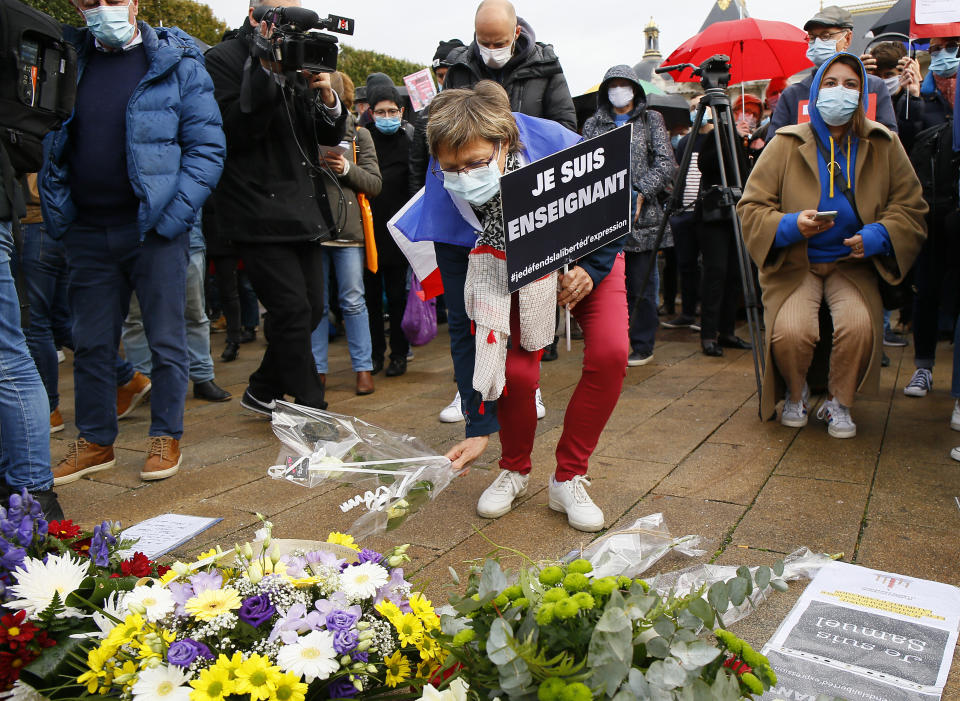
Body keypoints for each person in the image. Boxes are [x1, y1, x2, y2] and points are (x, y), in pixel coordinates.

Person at [396, 81, 629, 532]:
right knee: (517, 375)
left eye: (476, 163)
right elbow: (466, 322)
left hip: (588, 256)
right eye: (452, 168)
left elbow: (615, 201)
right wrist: (476, 425)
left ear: (505, 143)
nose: (465, 177)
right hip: (507, 269)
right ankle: (514, 469)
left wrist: (592, 270)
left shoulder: (555, 143)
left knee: (610, 353)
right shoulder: (445, 197)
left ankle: (569, 477)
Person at [41, 0, 225, 484]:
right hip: (87, 228)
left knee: (167, 338)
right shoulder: (67, 59)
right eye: (90, 2)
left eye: (113, 0)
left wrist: (173, 215)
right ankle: (97, 440)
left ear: (135, 3)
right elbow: (49, 136)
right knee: (92, 342)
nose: (103, 9)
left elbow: (207, 148)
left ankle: (166, 435)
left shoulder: (178, 62)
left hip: (154, 229)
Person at [737, 53, 926, 437]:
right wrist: (790, 226)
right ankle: (796, 392)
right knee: (791, 332)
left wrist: (877, 236)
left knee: (859, 327)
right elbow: (752, 207)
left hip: (851, 264)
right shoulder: (784, 143)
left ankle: (839, 403)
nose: (840, 92)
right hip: (795, 264)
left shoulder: (884, 143)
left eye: (851, 85)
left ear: (862, 94)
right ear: (816, 90)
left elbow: (910, 207)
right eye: (830, 83)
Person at [204, 0, 346, 416]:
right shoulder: (222, 59)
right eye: (281, 16)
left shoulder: (300, 56)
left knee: (312, 310)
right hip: (254, 208)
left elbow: (323, 134)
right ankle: (312, 409)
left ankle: (263, 389)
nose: (291, 25)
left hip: (302, 206)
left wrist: (328, 95)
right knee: (291, 310)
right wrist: (267, 68)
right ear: (255, 16)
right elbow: (236, 130)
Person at [582, 65, 676, 367]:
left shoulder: (651, 120)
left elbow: (665, 164)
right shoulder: (594, 124)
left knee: (643, 285)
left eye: (624, 84)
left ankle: (642, 343)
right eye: (613, 84)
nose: (618, 90)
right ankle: (608, 341)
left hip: (643, 219)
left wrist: (639, 191)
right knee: (604, 284)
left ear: (635, 89)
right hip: (603, 218)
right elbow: (582, 164)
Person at [310, 72, 382, 395]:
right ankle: (317, 371)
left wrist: (347, 169)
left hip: (349, 231)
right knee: (317, 304)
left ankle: (363, 368)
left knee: (353, 300)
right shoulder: (306, 130)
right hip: (314, 229)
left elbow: (375, 183)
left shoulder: (361, 136)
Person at [901, 36, 960, 401]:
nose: (942, 56)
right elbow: (905, 147)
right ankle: (923, 367)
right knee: (927, 290)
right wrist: (911, 100)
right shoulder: (920, 96)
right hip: (931, 213)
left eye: (950, 46)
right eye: (935, 49)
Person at [120, 218, 232, 403]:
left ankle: (203, 378)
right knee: (135, 317)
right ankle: (142, 381)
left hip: (186, 235)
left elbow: (198, 189)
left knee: (194, 313)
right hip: (135, 238)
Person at [443, 0, 576, 131]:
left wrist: (520, 139)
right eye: (484, 43)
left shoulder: (546, 67)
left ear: (516, 33)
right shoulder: (458, 69)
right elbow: (442, 130)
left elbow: (565, 130)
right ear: (476, 33)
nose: (491, 51)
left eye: (500, 44)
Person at [767, 6, 897, 138]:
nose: (817, 43)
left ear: (847, 38)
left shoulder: (873, 87)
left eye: (826, 36)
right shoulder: (793, 94)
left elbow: (887, 142)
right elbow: (774, 148)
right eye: (812, 37)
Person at [695, 98, 755, 357]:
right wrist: (728, 135)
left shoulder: (745, 142)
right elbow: (707, 166)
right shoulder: (714, 138)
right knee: (716, 273)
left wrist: (746, 144)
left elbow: (746, 174)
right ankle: (709, 333)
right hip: (715, 215)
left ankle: (727, 330)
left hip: (738, 213)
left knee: (735, 273)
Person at [364, 85, 413, 378]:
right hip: (369, 231)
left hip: (397, 232)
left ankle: (398, 353)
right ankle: (373, 354)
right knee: (370, 299)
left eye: (392, 111)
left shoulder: (408, 141)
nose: (386, 116)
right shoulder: (362, 141)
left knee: (397, 297)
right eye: (380, 112)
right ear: (371, 113)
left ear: (401, 112)